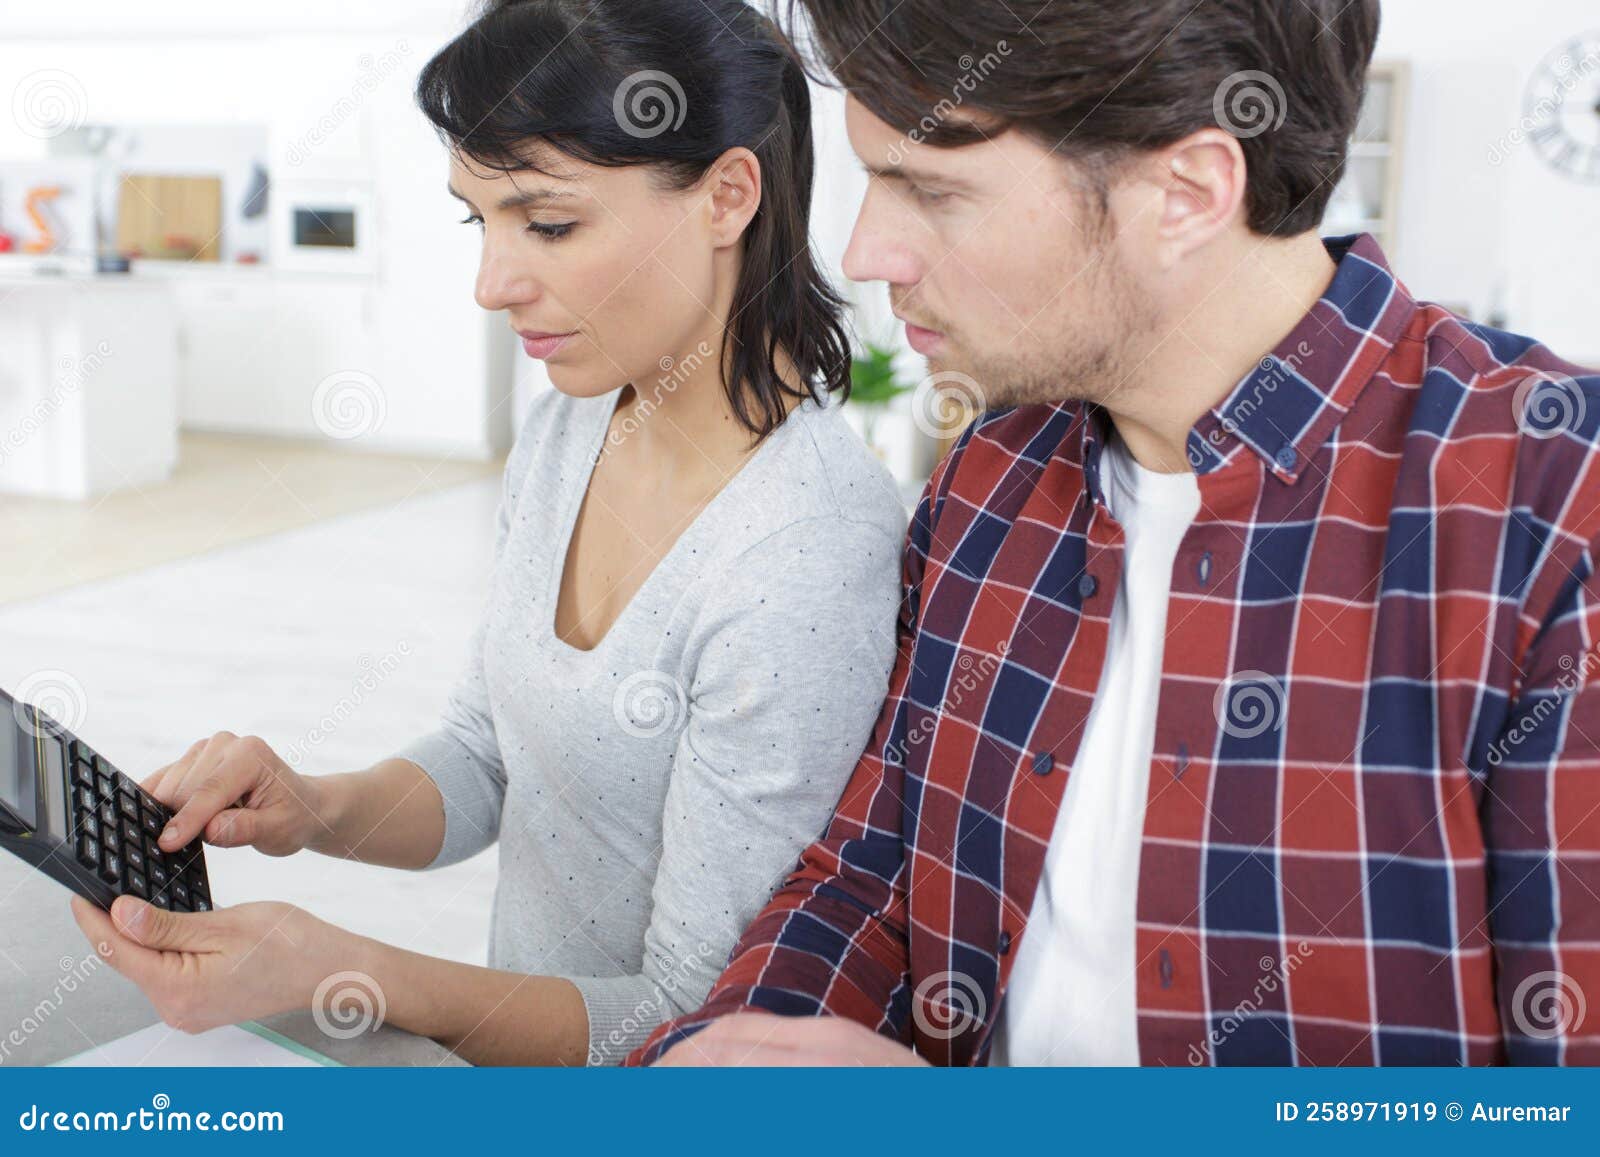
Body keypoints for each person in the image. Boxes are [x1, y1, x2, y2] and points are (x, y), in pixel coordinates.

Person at [634, 0, 1600, 1066]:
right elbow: (876, 868)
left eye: (930, 190)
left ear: (1184, 192)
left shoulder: (1552, 501)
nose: (868, 252)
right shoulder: (993, 471)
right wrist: (718, 1058)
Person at [69, 0, 907, 1066]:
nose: (491, 283)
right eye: (480, 221)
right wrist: (311, 806)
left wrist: (337, 969)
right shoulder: (571, 423)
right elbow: (487, 758)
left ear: (727, 196)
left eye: (548, 224)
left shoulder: (803, 553)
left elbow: (689, 1022)